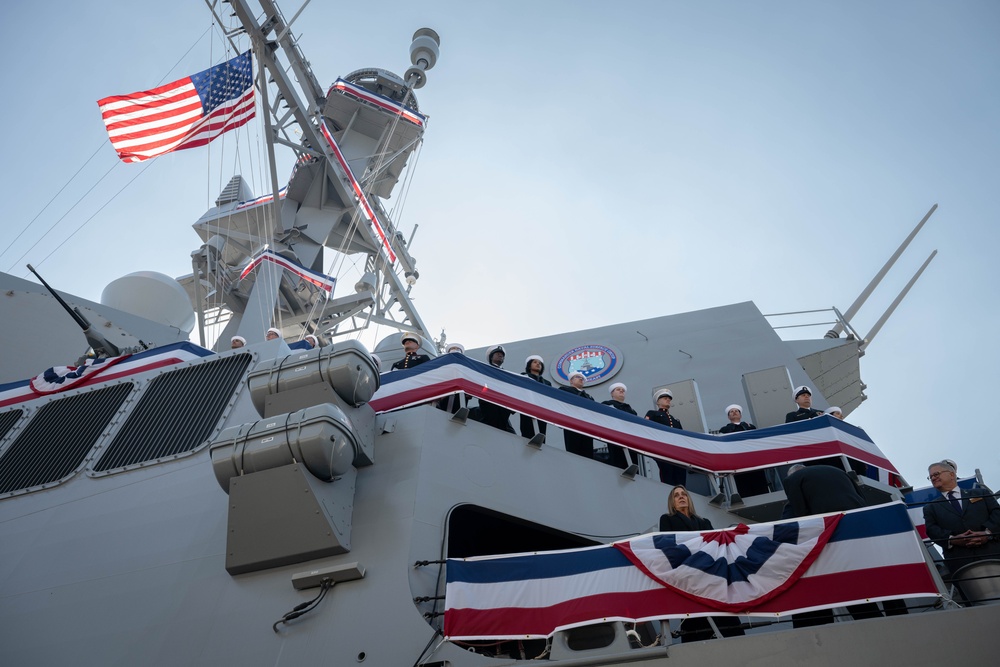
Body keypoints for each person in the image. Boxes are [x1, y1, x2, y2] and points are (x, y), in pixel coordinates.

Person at [783, 463, 889, 626]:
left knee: (842, 584)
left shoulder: (794, 479)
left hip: (831, 538)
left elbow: (798, 516)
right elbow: (861, 497)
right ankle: (889, 617)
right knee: (879, 580)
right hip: (862, 529)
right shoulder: (838, 472)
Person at [659, 486, 745, 641]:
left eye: (684, 494)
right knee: (694, 619)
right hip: (687, 572)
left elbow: (716, 546)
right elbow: (668, 546)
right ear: (672, 502)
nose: (681, 497)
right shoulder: (667, 519)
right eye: (676, 495)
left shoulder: (704, 522)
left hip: (709, 572)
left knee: (722, 614)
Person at [923, 460, 1000, 570]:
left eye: (936, 474)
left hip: (994, 554)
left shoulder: (980, 493)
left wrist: (987, 533)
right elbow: (932, 530)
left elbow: (997, 513)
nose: (933, 478)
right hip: (961, 565)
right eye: (930, 477)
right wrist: (952, 539)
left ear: (952, 474)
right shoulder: (930, 508)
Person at [645, 389, 685, 484]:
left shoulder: (675, 420)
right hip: (663, 450)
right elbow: (646, 428)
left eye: (669, 399)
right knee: (667, 476)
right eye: (665, 398)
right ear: (658, 402)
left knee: (680, 477)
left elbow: (682, 436)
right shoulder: (653, 414)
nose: (668, 400)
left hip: (677, 452)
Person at [476, 345, 515, 433]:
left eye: (502, 355)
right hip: (489, 403)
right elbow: (482, 387)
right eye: (497, 354)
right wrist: (485, 394)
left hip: (503, 405)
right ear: (491, 357)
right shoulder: (485, 371)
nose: (500, 356)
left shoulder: (508, 375)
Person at [559, 371, 595, 459]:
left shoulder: (589, 397)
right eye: (578, 377)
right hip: (572, 424)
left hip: (586, 427)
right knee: (573, 452)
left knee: (588, 454)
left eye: (582, 378)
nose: (581, 379)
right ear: (571, 381)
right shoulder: (564, 391)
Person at [600, 382, 635, 469]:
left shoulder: (630, 409)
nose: (621, 391)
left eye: (623, 390)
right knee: (617, 463)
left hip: (630, 439)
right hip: (615, 437)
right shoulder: (606, 404)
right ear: (612, 393)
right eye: (618, 390)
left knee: (632, 461)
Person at [519, 355, 552, 441]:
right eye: (535, 362)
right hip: (527, 410)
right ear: (529, 365)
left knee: (541, 436)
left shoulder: (547, 383)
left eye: (540, 363)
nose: (538, 364)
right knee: (527, 435)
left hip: (542, 411)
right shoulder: (523, 377)